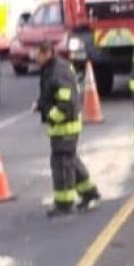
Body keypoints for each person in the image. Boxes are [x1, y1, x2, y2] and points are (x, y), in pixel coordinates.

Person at [33, 40, 100, 217]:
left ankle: (64, 204)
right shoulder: (52, 68)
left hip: (65, 127)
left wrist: (50, 116)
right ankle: (89, 193)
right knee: (69, 159)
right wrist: (40, 105)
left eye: (37, 53)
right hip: (63, 126)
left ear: (46, 52)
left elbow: (66, 104)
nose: (34, 57)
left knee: (61, 164)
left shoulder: (58, 72)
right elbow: (50, 94)